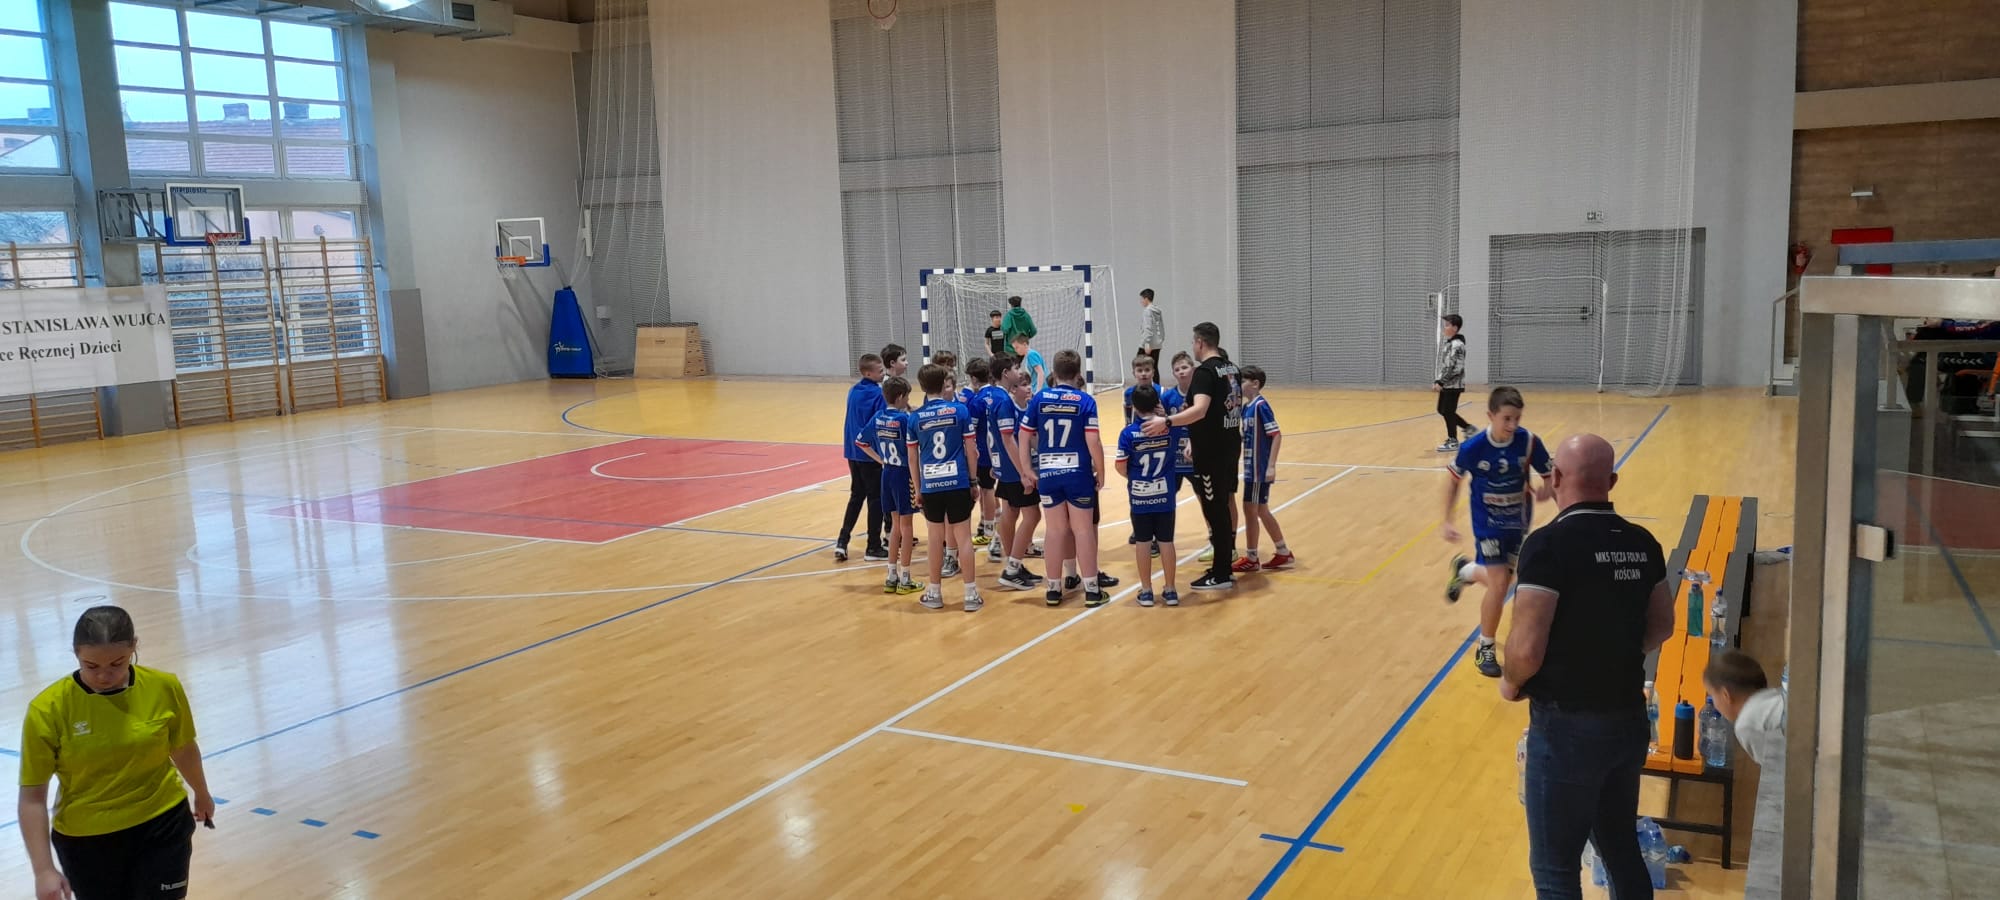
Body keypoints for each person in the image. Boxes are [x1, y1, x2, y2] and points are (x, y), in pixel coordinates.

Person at [1499, 434, 1673, 900]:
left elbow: (1526, 648)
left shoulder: (1548, 545)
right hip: (1628, 720)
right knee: (1620, 849)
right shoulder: (1643, 543)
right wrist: (1612, 654)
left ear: (1556, 477)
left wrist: (1511, 683)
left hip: (1567, 731)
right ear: (1611, 481)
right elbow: (1663, 625)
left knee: (1555, 871)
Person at [20, 605, 216, 900]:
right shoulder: (47, 709)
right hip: (87, 841)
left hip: (163, 823)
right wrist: (43, 870)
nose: (104, 676)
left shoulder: (164, 686)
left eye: (117, 663)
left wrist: (201, 792)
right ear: (76, 654)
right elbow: (32, 799)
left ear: (134, 647)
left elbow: (183, 748)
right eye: (91, 666)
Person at [1442, 386, 1553, 677]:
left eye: (1517, 418)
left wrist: (1548, 489)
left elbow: (1550, 475)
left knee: (1503, 579)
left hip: (1518, 521)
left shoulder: (1528, 442)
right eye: (1506, 418)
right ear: (1490, 416)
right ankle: (1486, 647)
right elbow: (1453, 480)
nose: (1513, 425)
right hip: (1487, 523)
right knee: (1501, 583)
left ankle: (1465, 570)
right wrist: (1447, 520)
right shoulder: (1473, 448)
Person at [1143, 322, 1241, 591]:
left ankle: (1221, 573)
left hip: (1212, 451)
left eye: (1193, 343)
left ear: (1200, 342)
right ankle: (1224, 565)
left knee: (1215, 509)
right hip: (1230, 445)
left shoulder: (1205, 372)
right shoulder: (1231, 368)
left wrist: (1167, 421)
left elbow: (1200, 410)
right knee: (1222, 506)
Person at [1020, 349, 1105, 607]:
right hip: (1078, 474)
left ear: (1054, 373)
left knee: (1055, 531)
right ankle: (1092, 590)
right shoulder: (1085, 400)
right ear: (1078, 374)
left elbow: (1023, 434)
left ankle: (1053, 589)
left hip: (1048, 473)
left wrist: (1027, 469)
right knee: (1082, 530)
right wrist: (1101, 472)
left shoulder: (1039, 399)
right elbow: (1093, 441)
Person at [908, 363, 983, 611]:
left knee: (934, 538)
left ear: (922, 387)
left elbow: (912, 458)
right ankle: (970, 595)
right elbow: (971, 450)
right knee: (964, 538)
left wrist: (918, 489)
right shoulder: (960, 411)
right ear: (944, 385)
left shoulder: (915, 417)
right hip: (958, 481)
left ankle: (934, 592)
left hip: (931, 485)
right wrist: (973, 480)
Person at [1118, 384, 1183, 607]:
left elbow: (1120, 466)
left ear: (1134, 407)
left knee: (1143, 543)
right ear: (1157, 403)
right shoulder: (1171, 429)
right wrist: (1166, 417)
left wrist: (1135, 478)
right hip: (1165, 495)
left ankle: (1146, 591)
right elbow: (1182, 428)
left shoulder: (1128, 433)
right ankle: (1171, 590)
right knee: (1166, 542)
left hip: (1140, 497)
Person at [858, 376, 921, 595]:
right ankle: (906, 578)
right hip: (904, 474)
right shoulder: (904, 420)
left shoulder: (878, 417)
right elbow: (914, 450)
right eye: (907, 397)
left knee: (895, 526)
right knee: (907, 527)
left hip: (887, 473)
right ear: (901, 396)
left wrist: (881, 460)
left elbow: (861, 442)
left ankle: (891, 575)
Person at [991, 354, 1046, 591]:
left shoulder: (1000, 398)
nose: (1019, 371)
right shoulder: (1004, 401)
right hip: (1014, 469)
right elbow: (1008, 439)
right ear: (1006, 374)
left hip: (1005, 467)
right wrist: (1024, 471)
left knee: (1010, 512)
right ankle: (1012, 568)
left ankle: (1013, 563)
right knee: (1032, 515)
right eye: (1016, 368)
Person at [1233, 365, 1294, 572]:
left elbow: (1276, 435)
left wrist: (1271, 466)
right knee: (1258, 510)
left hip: (1259, 468)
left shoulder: (1260, 406)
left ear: (1255, 384)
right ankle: (1282, 551)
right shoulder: (1246, 408)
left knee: (1252, 510)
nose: (1239, 385)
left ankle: (1253, 557)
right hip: (1251, 467)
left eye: (1242, 381)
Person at [836, 352, 888, 563]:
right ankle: (873, 545)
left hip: (852, 452)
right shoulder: (878, 394)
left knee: (856, 495)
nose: (883, 373)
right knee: (875, 499)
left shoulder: (853, 391)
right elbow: (879, 423)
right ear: (868, 373)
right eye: (880, 371)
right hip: (869, 454)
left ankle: (842, 541)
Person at [1703, 649, 1785, 766]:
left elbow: (1778, 769)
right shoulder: (1774, 695)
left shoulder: (1746, 724)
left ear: (1725, 695)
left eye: (1712, 695)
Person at [963, 356, 1000, 555]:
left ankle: (988, 529)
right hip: (998, 451)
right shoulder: (999, 395)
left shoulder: (976, 401)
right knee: (990, 488)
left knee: (985, 490)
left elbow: (971, 431)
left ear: (974, 379)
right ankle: (989, 526)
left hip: (982, 454)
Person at [1434, 314, 1474, 451]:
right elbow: (1445, 366)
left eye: (1447, 325)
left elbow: (1455, 368)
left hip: (1454, 384)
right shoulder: (1449, 344)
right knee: (1442, 410)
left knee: (1448, 411)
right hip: (1447, 383)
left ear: (1455, 328)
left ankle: (1453, 440)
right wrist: (1438, 380)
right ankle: (1468, 428)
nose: (1444, 328)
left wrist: (1442, 381)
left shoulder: (1457, 345)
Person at [1123, 352, 1159, 426]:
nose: (1143, 374)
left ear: (1153, 372)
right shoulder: (1129, 393)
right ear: (1134, 373)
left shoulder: (1162, 391)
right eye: (1139, 370)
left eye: (1147, 370)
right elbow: (1128, 417)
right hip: (1137, 430)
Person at [1138, 288, 1165, 369]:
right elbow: (1161, 327)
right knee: (1154, 368)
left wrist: (1147, 344)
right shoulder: (1157, 311)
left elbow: (1148, 328)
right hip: (1157, 344)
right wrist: (1161, 340)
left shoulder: (1147, 311)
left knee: (1138, 366)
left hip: (1148, 345)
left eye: (1142, 299)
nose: (1141, 301)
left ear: (1146, 299)